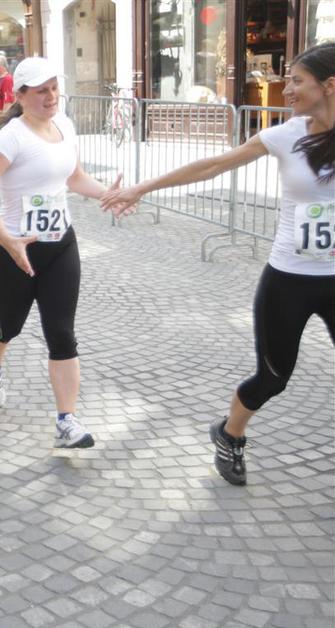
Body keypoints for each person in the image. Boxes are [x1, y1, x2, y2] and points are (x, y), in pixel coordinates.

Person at [101, 42, 335, 485]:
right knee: (273, 377)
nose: (286, 89)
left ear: (329, 86)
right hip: (290, 279)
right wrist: (141, 188)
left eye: (297, 81)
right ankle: (230, 434)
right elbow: (213, 166)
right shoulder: (286, 135)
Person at [0, 56, 127, 449]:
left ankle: (66, 421)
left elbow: (75, 178)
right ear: (20, 96)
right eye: (41, 91)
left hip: (61, 246)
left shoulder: (64, 126)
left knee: (62, 333)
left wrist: (108, 193)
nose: (51, 96)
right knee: (10, 326)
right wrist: (6, 238)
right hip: (14, 250)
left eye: (54, 88)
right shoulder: (11, 138)